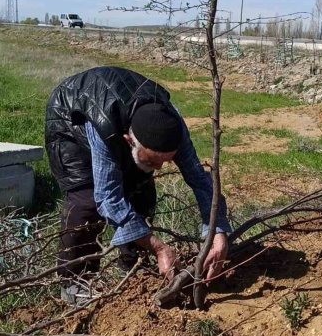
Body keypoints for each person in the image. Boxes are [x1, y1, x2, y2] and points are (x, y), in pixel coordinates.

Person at [45, 66, 231, 304]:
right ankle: (76, 282)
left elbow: (201, 180)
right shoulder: (104, 129)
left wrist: (217, 232)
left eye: (167, 160)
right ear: (128, 140)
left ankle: (133, 267)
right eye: (154, 160)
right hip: (70, 117)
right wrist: (160, 248)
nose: (161, 167)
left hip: (120, 115)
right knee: (87, 202)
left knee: (141, 191)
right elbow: (108, 197)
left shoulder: (172, 128)